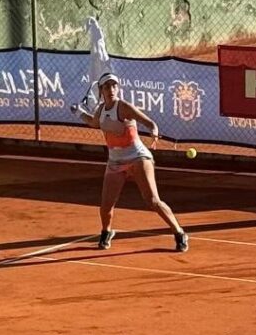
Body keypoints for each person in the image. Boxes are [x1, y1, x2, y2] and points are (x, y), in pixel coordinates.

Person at [70, 72, 189, 252]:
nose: (111, 89)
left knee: (152, 201)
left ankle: (179, 233)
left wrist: (154, 131)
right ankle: (106, 232)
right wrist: (79, 112)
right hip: (115, 162)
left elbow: (149, 122)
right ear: (101, 90)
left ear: (117, 88)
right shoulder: (101, 110)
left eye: (114, 86)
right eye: (107, 86)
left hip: (138, 158)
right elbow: (94, 123)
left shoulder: (124, 107)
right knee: (105, 206)